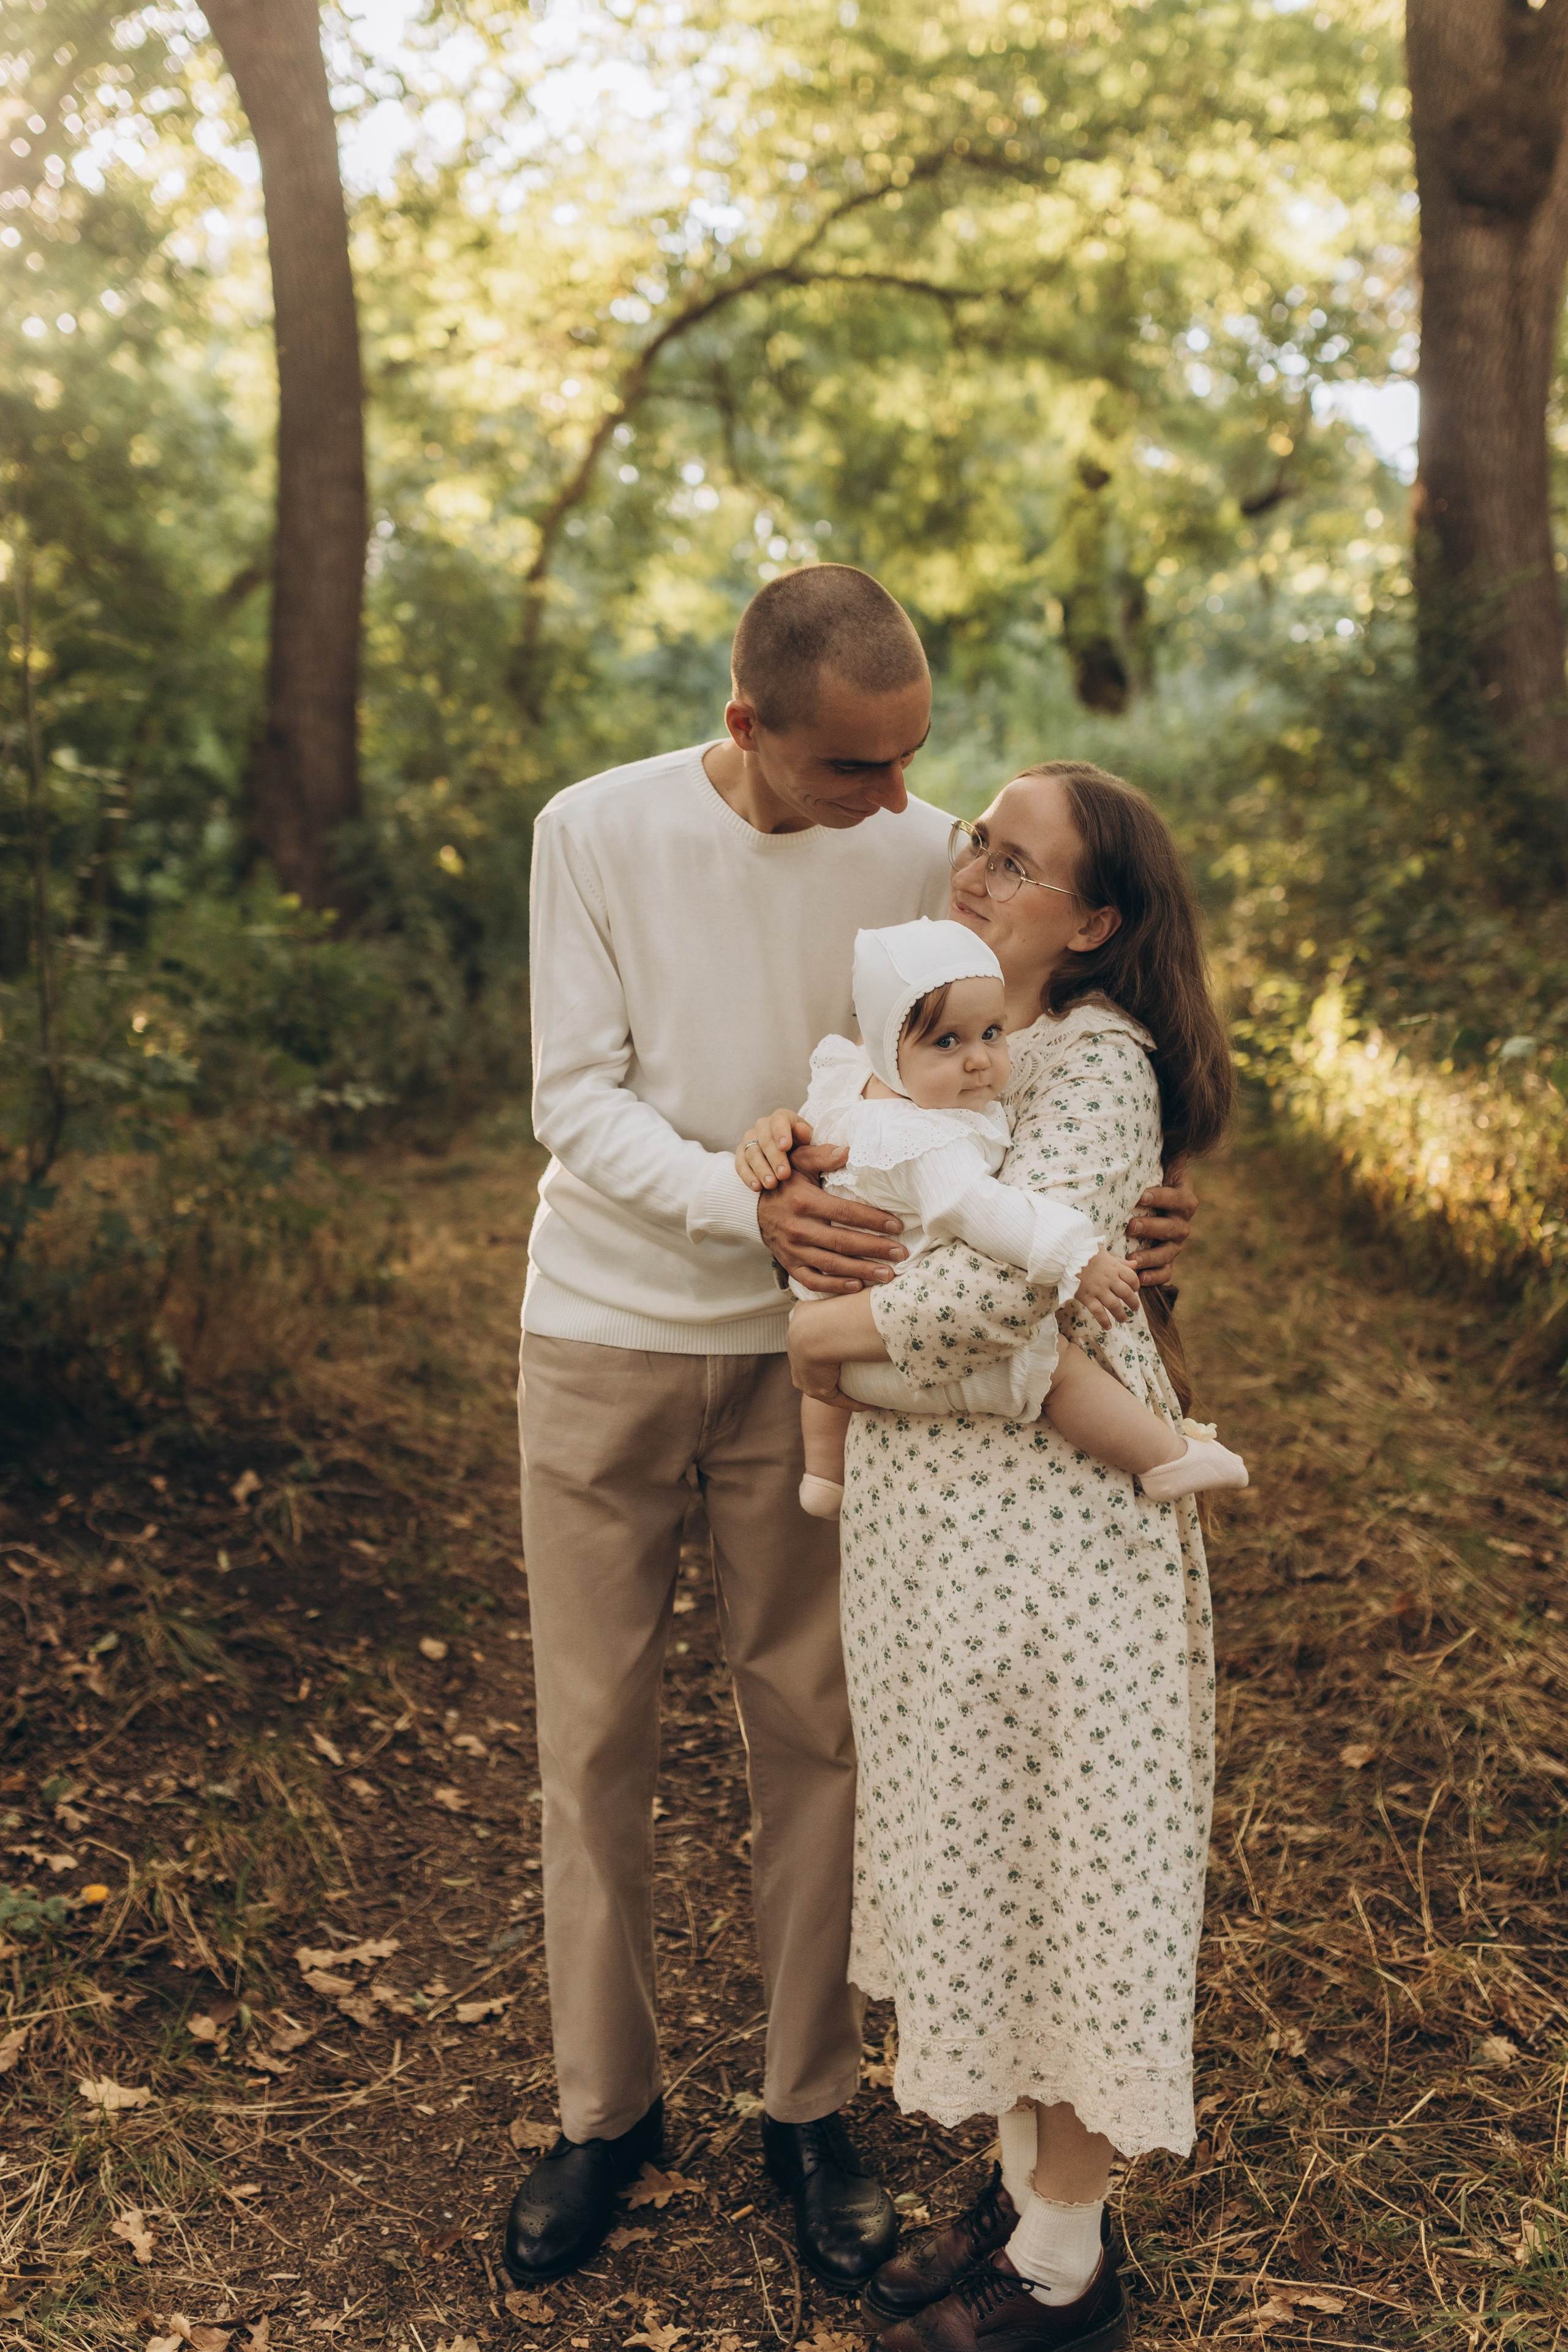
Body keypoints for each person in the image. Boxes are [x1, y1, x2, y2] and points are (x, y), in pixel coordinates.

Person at [503, 566, 1197, 2294]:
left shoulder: (938, 846)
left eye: (920, 766)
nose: (908, 810)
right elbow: (572, 1095)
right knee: (593, 1740)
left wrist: (1148, 1222)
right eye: (858, 773)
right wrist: (758, 1220)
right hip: (604, 1327)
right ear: (750, 728)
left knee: (814, 1731)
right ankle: (606, 2115)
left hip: (836, 1366)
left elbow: (1060, 1052)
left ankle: (807, 2111)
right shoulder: (592, 833)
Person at [785, 764, 1232, 2352]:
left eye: (1019, 862)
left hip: (1057, 1556)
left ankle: (1061, 2279)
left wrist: (831, 1340)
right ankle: (1024, 2200)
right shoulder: (948, 1039)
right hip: (932, 1558)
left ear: (1095, 921)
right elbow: (862, 1197)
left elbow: (995, 1307)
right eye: (978, 840)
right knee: (995, 1874)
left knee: (1076, 1883)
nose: (975, 869)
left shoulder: (1099, 1068)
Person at [735, 916, 1247, 1520]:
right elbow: (982, 1212)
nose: (978, 1061)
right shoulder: (924, 1140)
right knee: (1050, 1369)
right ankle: (1164, 1459)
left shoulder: (855, 1086)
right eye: (947, 1043)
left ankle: (824, 1478)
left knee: (827, 1381)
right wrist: (1076, 1258)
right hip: (881, 1345)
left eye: (992, 1032)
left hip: (835, 1327)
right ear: (886, 1049)